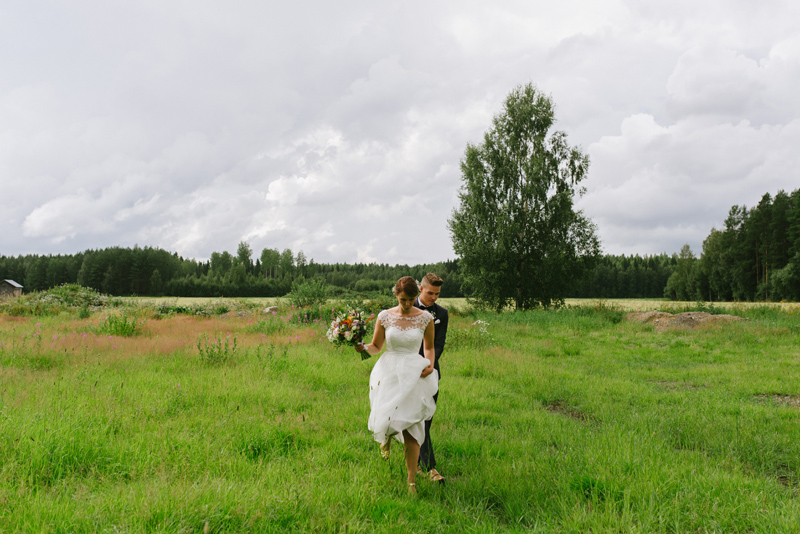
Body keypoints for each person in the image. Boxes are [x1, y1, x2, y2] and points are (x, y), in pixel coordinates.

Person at [356, 276, 438, 494]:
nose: (408, 304)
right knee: (389, 414)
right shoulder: (384, 317)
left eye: (411, 299)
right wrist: (363, 348)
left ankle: (411, 481)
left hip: (414, 373)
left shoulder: (425, 318)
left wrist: (429, 364)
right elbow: (376, 346)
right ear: (396, 295)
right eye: (403, 299)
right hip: (389, 371)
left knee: (412, 427)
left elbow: (429, 348)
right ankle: (387, 437)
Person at [414, 273, 448, 483]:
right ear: (420, 289)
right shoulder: (404, 307)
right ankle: (430, 469)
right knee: (417, 420)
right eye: (430, 293)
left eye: (437, 294)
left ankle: (418, 463)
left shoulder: (442, 314)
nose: (434, 297)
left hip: (429, 372)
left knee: (426, 419)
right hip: (406, 372)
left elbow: (439, 344)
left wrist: (427, 365)